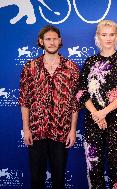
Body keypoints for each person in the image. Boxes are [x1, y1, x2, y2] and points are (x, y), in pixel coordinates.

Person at [76, 20, 117, 189]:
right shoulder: (90, 62)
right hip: (92, 122)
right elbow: (81, 91)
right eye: (104, 35)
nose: (108, 38)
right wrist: (96, 113)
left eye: (112, 34)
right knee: (93, 168)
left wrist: (104, 113)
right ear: (98, 37)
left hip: (116, 122)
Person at [19, 25, 79, 189]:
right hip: (37, 130)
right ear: (41, 41)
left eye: (54, 39)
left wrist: (73, 130)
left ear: (60, 41)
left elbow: (75, 102)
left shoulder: (71, 68)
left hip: (61, 131)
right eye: (48, 39)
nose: (52, 42)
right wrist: (26, 128)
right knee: (36, 179)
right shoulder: (30, 68)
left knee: (59, 179)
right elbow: (24, 101)